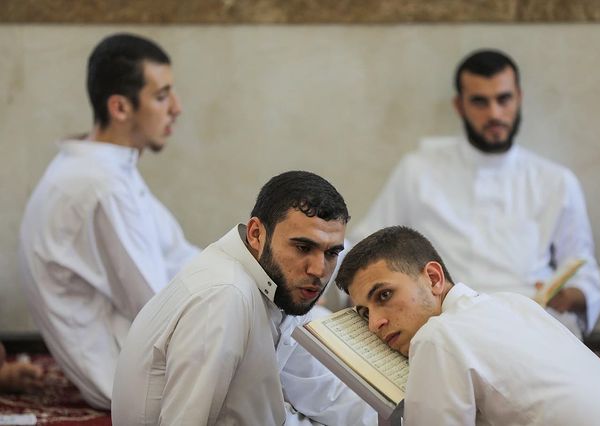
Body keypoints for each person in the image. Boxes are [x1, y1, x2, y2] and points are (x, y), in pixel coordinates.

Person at [350, 49, 600, 338]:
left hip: (529, 321)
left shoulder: (556, 180)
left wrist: (569, 295)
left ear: (519, 98)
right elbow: (364, 246)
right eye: (480, 102)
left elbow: (584, 270)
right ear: (460, 106)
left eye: (503, 99)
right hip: (443, 322)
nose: (494, 113)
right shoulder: (418, 171)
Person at [18, 33, 199, 409]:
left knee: (295, 322)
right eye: (161, 96)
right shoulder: (101, 186)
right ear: (120, 107)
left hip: (141, 352)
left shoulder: (108, 168)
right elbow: (159, 310)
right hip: (134, 381)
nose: (177, 108)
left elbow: (179, 257)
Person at [112, 171, 376, 425]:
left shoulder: (278, 286)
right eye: (303, 247)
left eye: (331, 253)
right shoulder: (224, 298)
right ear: (256, 234)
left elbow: (323, 393)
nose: (318, 270)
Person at [336, 226, 600, 425]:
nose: (375, 323)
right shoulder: (515, 303)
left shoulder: (437, 335)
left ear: (433, 278)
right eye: (364, 313)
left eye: (384, 295)